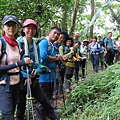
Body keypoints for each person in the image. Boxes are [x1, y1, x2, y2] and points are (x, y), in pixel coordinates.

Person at [16, 19, 59, 120]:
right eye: (28, 28)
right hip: (21, 78)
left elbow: (38, 61)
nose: (31, 30)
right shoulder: (18, 43)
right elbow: (15, 62)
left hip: (33, 77)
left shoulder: (35, 44)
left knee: (44, 101)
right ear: (23, 29)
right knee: (21, 105)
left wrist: (36, 70)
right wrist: (26, 76)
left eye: (33, 28)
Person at [0, 15, 32, 120]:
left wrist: (26, 64)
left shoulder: (17, 44)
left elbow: (19, 64)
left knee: (10, 114)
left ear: (17, 27)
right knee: (8, 116)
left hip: (16, 84)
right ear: (3, 27)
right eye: (8, 25)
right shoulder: (1, 43)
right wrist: (19, 64)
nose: (11, 28)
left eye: (13, 25)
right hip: (4, 85)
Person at [37, 26, 62, 119]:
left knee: (47, 99)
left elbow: (53, 56)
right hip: (43, 77)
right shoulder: (44, 42)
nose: (56, 35)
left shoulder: (52, 45)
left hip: (50, 76)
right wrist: (56, 58)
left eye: (58, 34)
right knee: (43, 101)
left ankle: (45, 117)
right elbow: (43, 56)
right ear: (49, 33)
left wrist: (57, 57)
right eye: (54, 33)